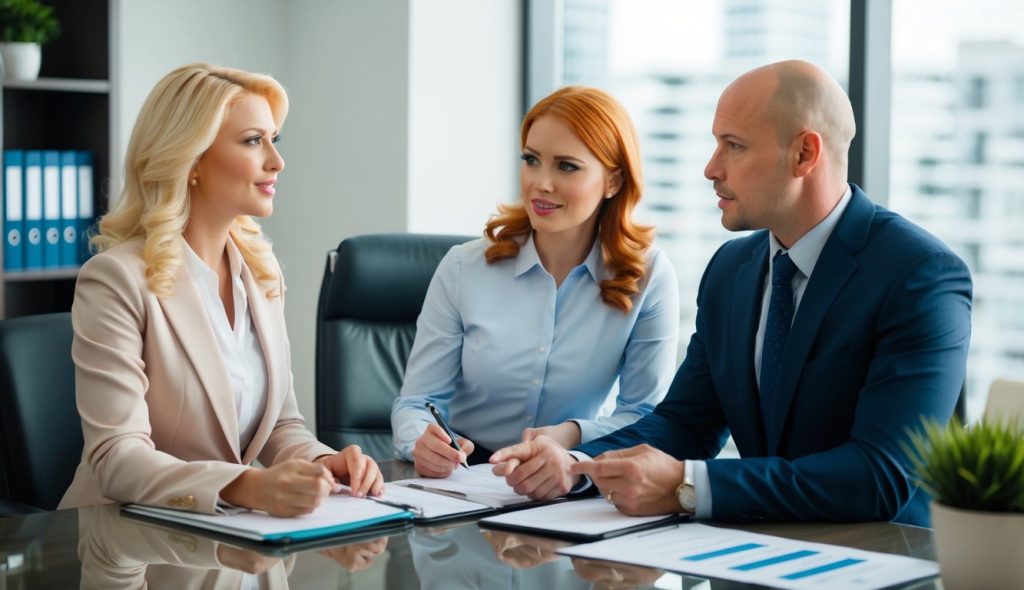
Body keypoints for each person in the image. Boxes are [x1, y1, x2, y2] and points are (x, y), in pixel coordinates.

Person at [491, 60, 972, 526]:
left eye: (733, 146)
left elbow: (880, 477)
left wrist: (690, 485)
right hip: (755, 550)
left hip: (877, 559)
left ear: (805, 154)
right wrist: (572, 464)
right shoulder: (731, 269)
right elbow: (685, 424)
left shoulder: (919, 275)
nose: (711, 168)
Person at [59, 63, 383, 517]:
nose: (277, 160)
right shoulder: (115, 279)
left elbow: (278, 427)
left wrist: (322, 462)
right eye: (254, 140)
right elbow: (117, 458)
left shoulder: (262, 273)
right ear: (191, 159)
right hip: (128, 547)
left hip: (229, 546)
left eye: (275, 139)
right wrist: (247, 486)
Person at [391, 86, 679, 478]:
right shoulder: (464, 268)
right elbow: (417, 402)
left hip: (572, 473)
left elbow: (645, 416)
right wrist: (421, 441)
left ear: (613, 181)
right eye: (531, 160)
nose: (541, 183)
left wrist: (572, 435)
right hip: (464, 477)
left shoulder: (649, 276)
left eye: (567, 166)